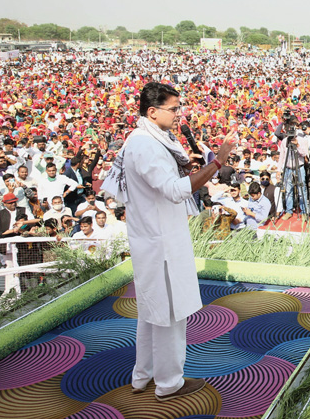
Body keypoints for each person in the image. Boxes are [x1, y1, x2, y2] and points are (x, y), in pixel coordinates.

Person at [101, 82, 237, 402]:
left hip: (153, 237)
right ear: (152, 112)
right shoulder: (145, 145)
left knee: (152, 312)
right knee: (169, 314)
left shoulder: (143, 139)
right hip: (159, 241)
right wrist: (217, 162)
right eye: (174, 109)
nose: (178, 114)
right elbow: (176, 191)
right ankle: (169, 383)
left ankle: (142, 375)